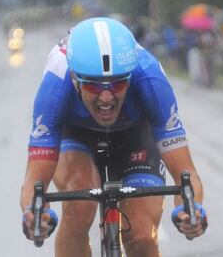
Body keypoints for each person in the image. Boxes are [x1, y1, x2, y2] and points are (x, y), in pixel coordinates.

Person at [20, 17, 208, 257]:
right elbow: (34, 180)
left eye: (118, 84)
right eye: (94, 85)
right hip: (76, 133)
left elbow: (186, 173)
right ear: (75, 80)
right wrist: (35, 215)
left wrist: (190, 211)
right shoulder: (55, 86)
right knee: (80, 206)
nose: (107, 98)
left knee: (140, 235)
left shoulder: (149, 77)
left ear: (130, 77)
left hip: (135, 134)